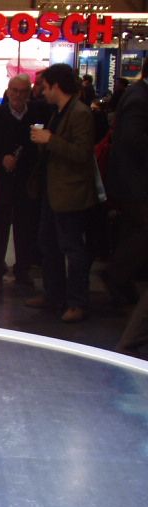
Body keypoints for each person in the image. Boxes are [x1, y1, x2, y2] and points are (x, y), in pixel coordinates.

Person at [26, 63, 97, 323]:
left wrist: (50, 140)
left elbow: (82, 154)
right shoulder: (59, 111)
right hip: (53, 192)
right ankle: (54, 294)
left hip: (70, 195)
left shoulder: (79, 113)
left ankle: (77, 302)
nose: (42, 93)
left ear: (56, 86)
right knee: (48, 245)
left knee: (72, 249)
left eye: (45, 87)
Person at [105, 57, 148, 355]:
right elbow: (132, 141)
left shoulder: (137, 96)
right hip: (135, 185)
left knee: (134, 233)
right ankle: (117, 276)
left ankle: (120, 280)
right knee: (139, 234)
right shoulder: (139, 98)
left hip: (132, 184)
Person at [0, 75, 39, 286]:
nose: (18, 95)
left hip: (26, 182)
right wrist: (0, 159)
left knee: (25, 227)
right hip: (1, 181)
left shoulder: (36, 115)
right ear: (8, 91)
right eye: (14, 90)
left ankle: (23, 268)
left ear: (29, 93)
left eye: (23, 91)